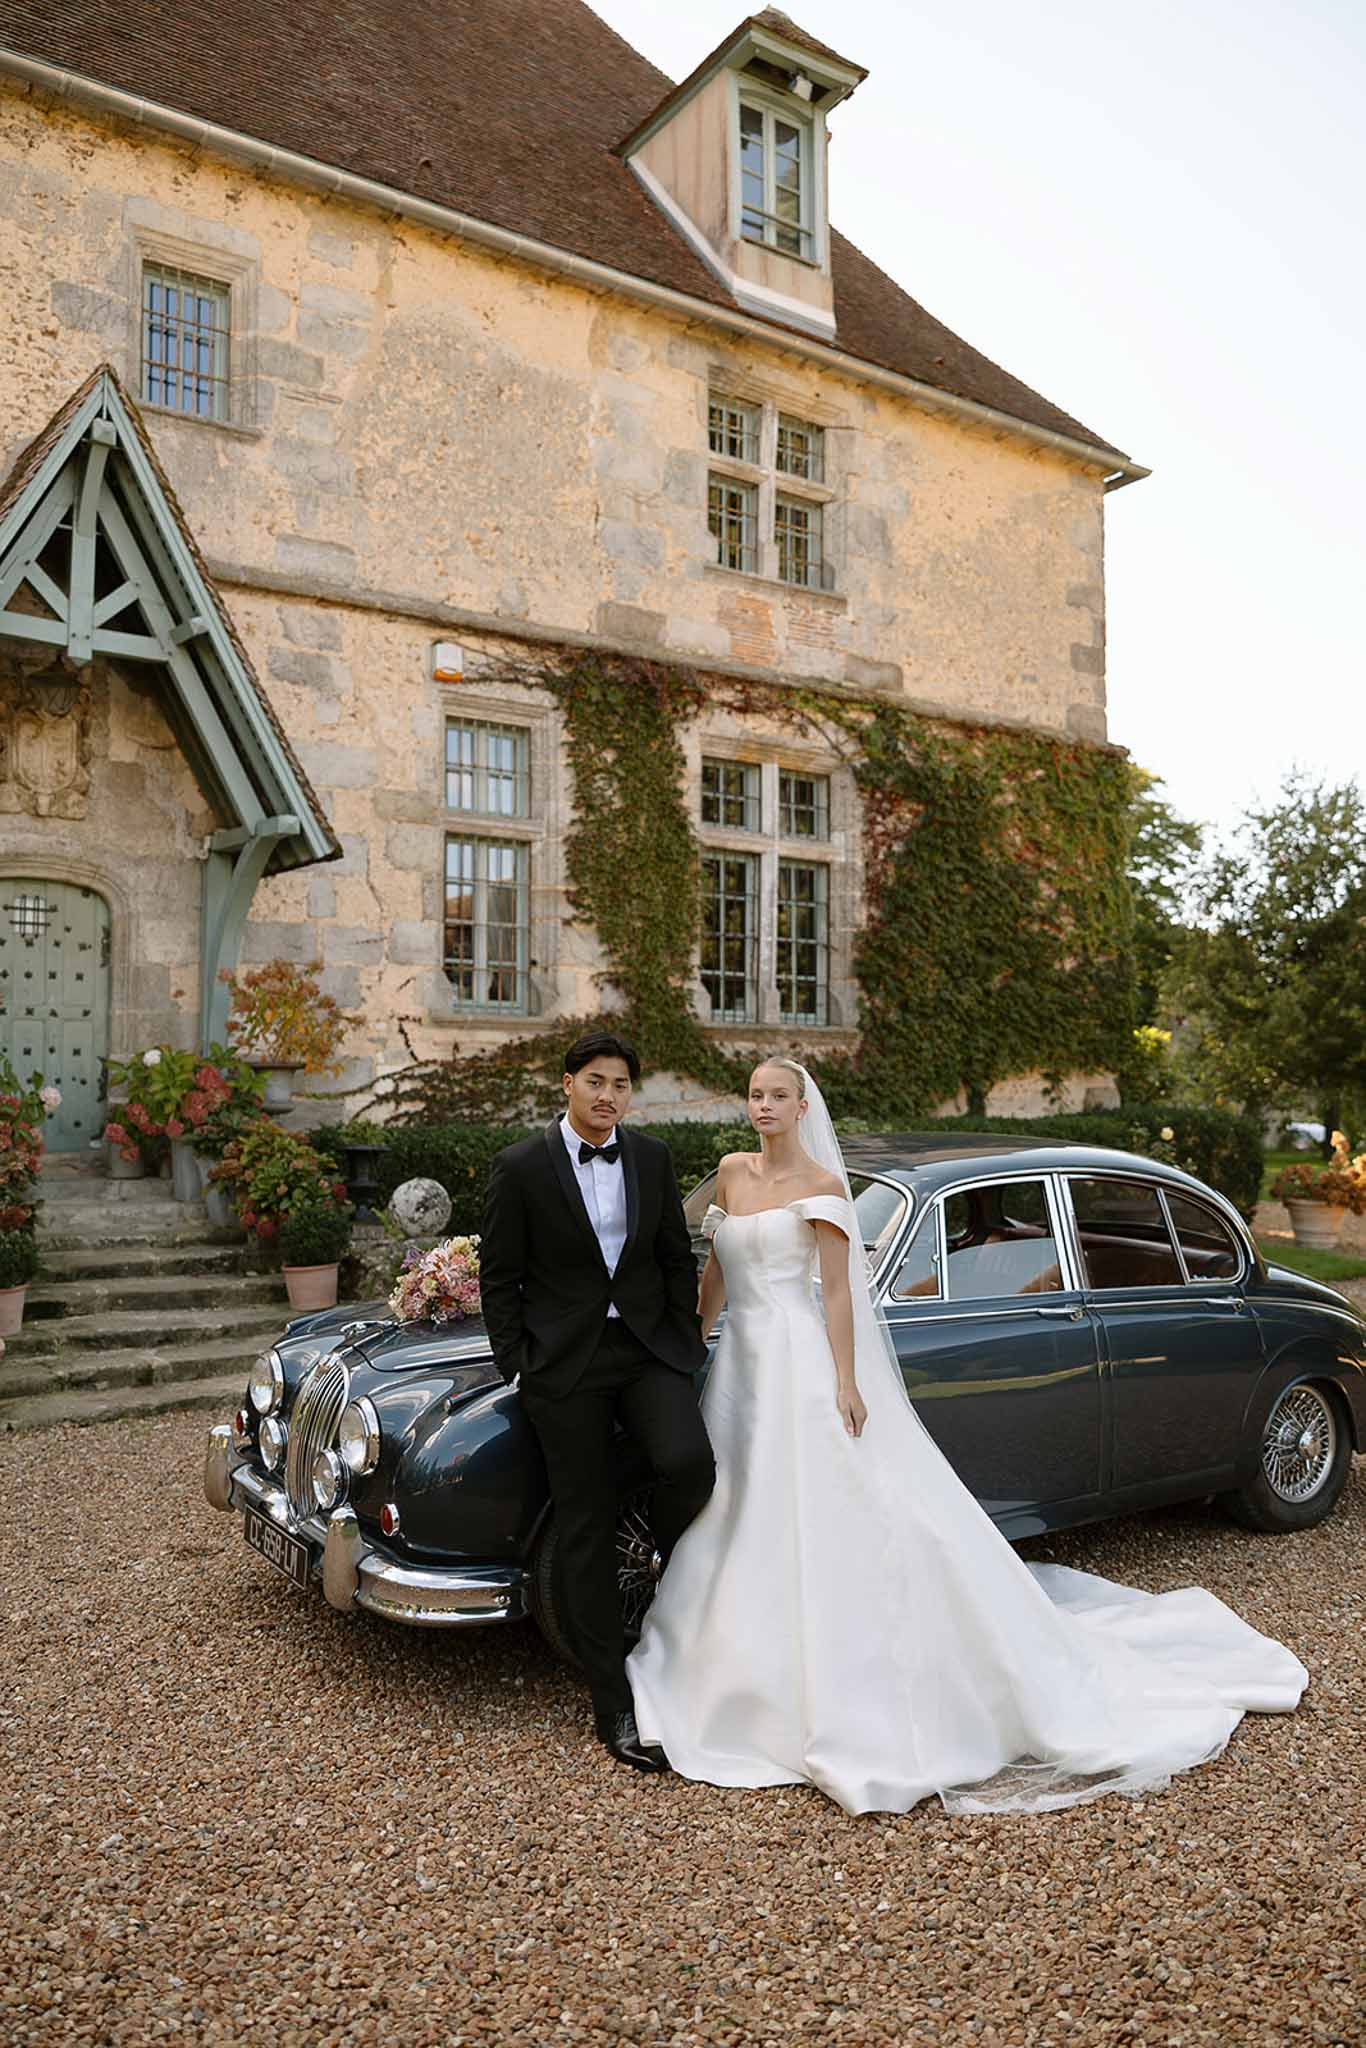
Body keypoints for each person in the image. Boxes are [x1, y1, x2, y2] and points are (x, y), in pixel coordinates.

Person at [626, 1057, 1308, 1815]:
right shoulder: (729, 1172)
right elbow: (716, 1270)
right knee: (735, 1498)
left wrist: (846, 1380)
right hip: (741, 1363)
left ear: (800, 1105)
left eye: (778, 1096)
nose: (763, 1106)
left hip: (796, 1356)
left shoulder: (824, 1188)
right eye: (755, 1095)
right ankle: (721, 1662)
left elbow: (842, 1293)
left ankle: (829, 1672)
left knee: (813, 1502)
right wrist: (693, 1340)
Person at [480, 1030, 713, 1773]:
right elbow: (499, 1279)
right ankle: (612, 1703)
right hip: (564, 1365)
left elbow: (676, 1257)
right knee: (584, 1517)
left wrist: (683, 1339)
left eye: (620, 1084)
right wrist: (519, 1365)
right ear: (567, 1084)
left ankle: (661, 1576)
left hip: (645, 1351)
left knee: (690, 1465)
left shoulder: (649, 1157)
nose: (608, 1095)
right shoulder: (520, 1167)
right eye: (595, 1081)